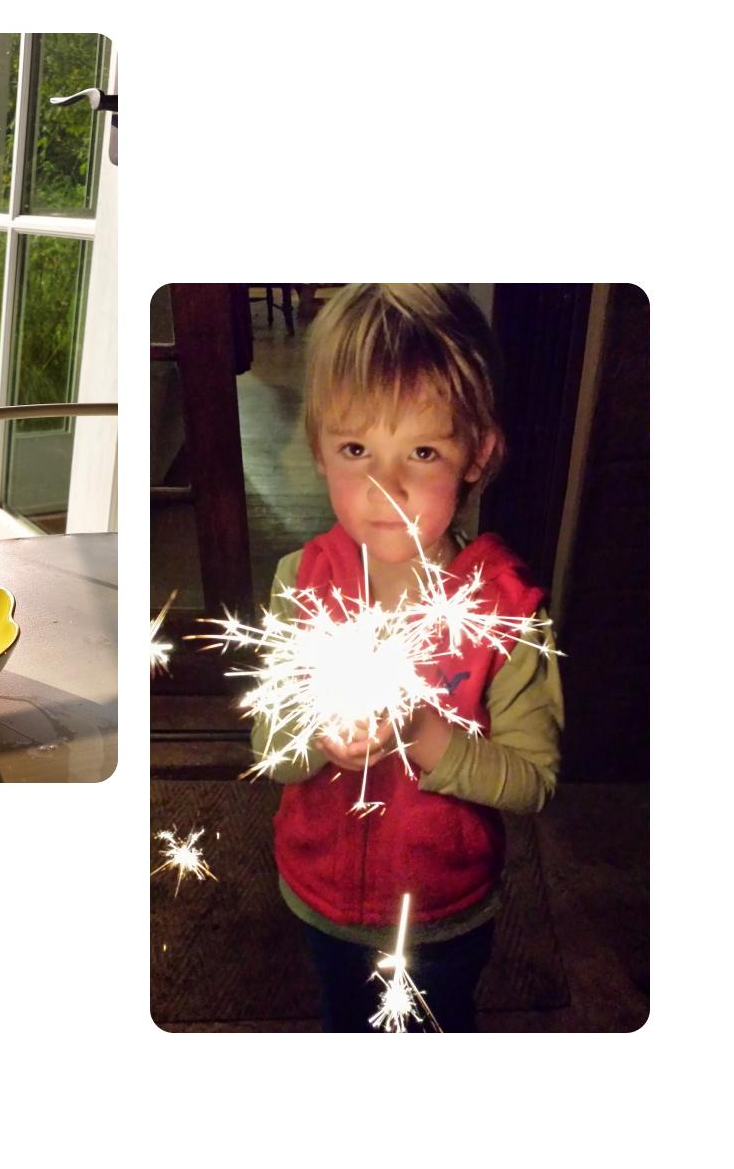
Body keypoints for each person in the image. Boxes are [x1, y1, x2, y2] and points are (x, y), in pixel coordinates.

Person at [252, 284, 564, 1033]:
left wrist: (427, 734)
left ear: (477, 454)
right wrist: (315, 732)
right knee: (341, 1013)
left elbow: (534, 781)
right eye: (356, 449)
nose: (383, 488)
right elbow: (267, 743)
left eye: (422, 451)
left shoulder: (509, 612)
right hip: (320, 898)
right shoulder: (301, 584)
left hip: (445, 918)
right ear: (318, 447)